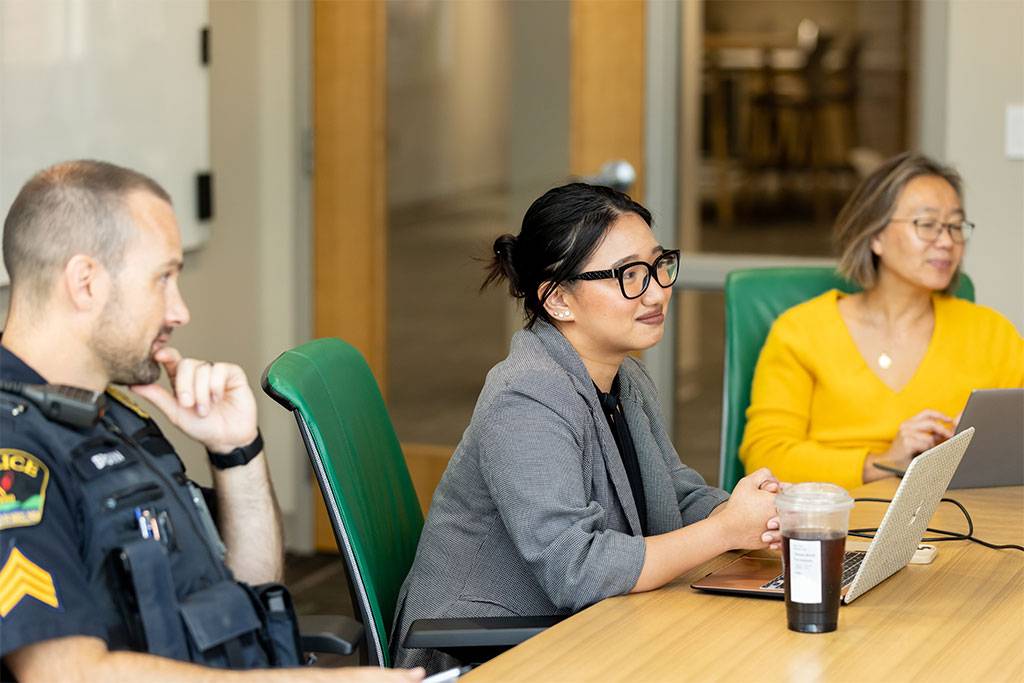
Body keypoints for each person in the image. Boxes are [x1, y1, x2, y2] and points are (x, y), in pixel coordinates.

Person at [0, 160, 423, 682]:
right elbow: (65, 675)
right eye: (164, 278)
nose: (180, 311)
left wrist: (236, 452)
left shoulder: (115, 413)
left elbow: (249, 587)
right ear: (86, 282)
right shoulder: (13, 452)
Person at [391, 183, 782, 672]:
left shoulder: (623, 374)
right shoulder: (525, 397)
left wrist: (762, 517)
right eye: (628, 276)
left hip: (587, 627)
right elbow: (576, 568)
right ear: (558, 300)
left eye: (658, 266)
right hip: (487, 651)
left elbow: (676, 494)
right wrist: (725, 530)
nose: (657, 290)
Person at [739, 152, 1024, 491]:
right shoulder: (800, 331)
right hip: (837, 526)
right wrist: (886, 461)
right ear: (874, 235)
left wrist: (979, 445)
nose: (947, 241)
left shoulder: (991, 333)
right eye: (927, 224)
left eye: (955, 226)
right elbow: (766, 457)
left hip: (959, 522)